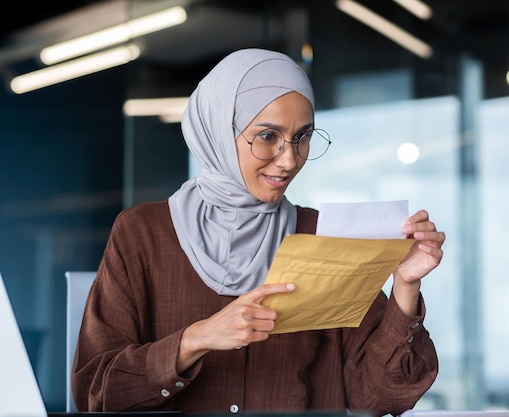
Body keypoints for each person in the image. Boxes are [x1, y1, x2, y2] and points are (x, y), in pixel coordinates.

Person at [72, 48, 446, 417]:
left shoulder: (321, 236)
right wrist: (197, 339)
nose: (289, 159)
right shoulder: (143, 234)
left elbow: (381, 396)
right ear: (219, 129)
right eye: (268, 136)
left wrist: (405, 286)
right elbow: (96, 393)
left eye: (302, 137)